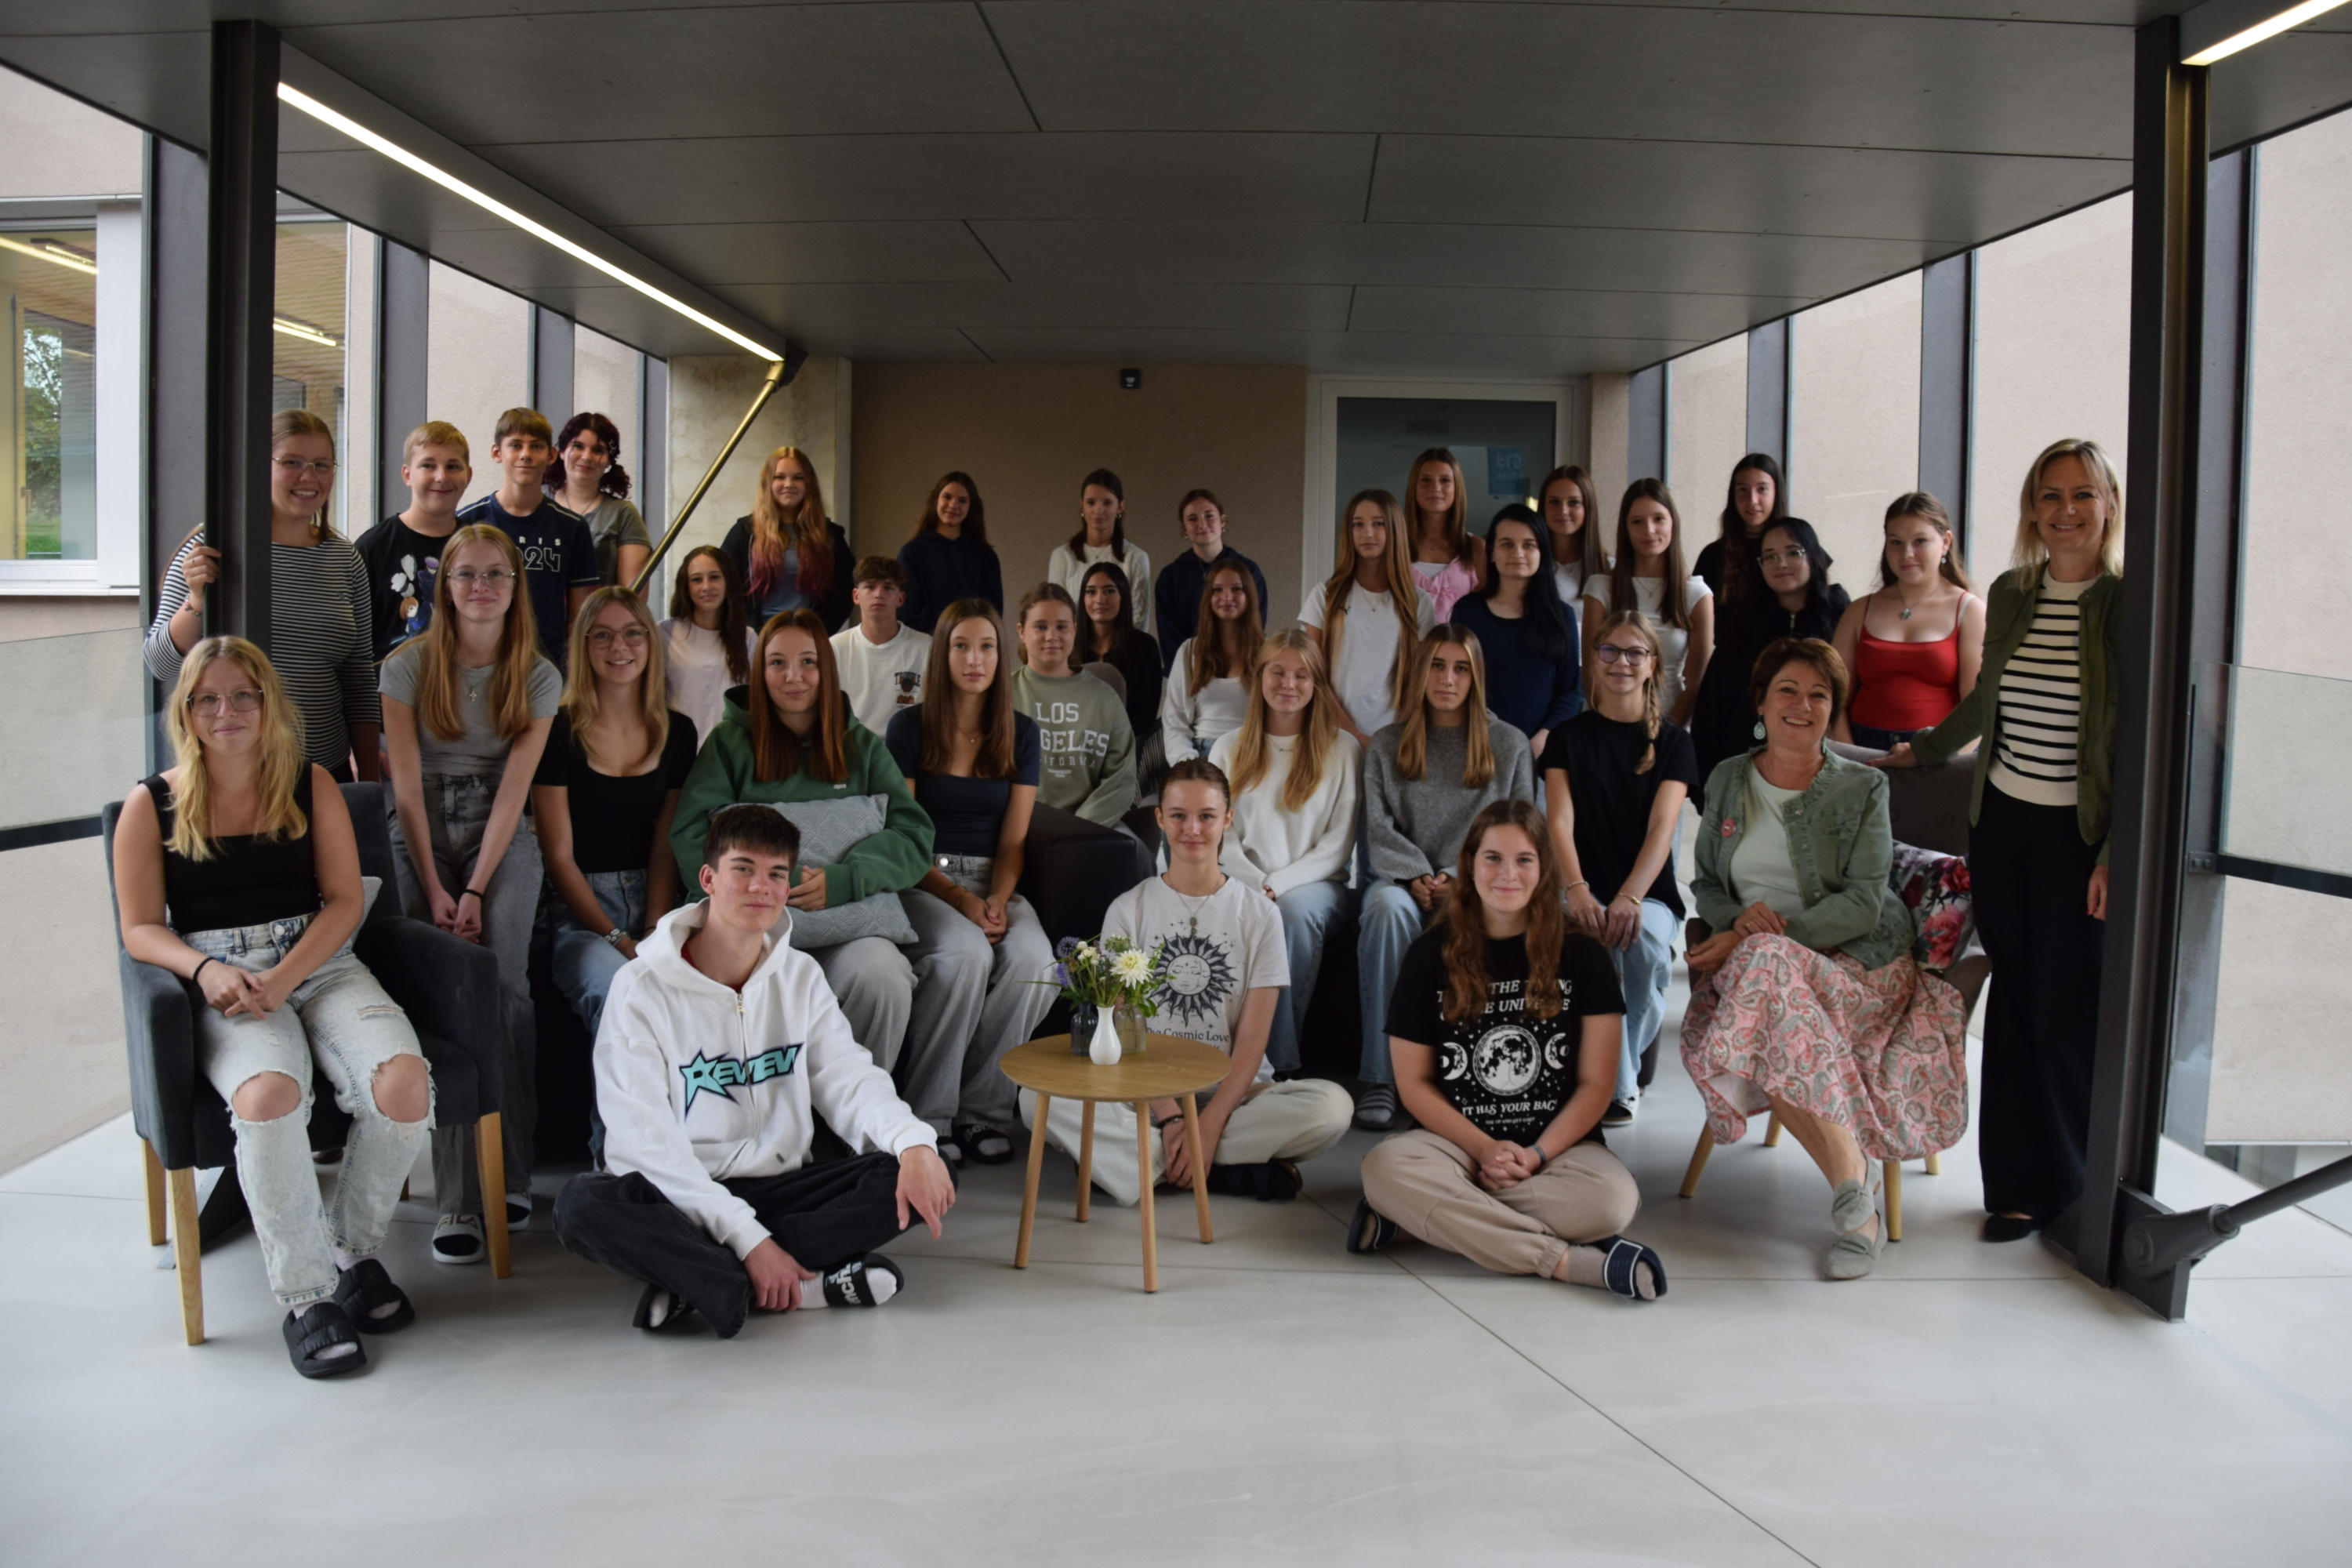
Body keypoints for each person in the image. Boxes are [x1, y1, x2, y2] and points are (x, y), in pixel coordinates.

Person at [113, 637, 433, 1377]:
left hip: (319, 961)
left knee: (404, 1084)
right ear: (185, 712)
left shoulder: (310, 783)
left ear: (267, 704)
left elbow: (344, 900)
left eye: (242, 695)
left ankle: (351, 1252)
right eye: (207, 699)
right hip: (221, 972)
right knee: (266, 1096)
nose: (225, 711)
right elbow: (139, 928)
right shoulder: (150, 804)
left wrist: (287, 977)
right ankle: (307, 1298)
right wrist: (203, 970)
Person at [553, 805, 957, 1338]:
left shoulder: (799, 976)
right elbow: (642, 1144)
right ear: (708, 879)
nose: (760, 887)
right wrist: (749, 1239)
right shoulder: (641, 988)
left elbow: (848, 1078)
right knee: (581, 1206)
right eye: (743, 869)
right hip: (684, 1196)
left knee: (920, 1167)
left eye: (776, 874)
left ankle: (702, 1280)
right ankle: (804, 1282)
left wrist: (914, 1144)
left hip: (782, 1186)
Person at [1881, 439, 2122, 1243]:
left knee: (2069, 1006)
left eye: (2081, 494)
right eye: (2050, 495)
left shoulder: (2127, 604)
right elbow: (1988, 699)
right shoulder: (2016, 592)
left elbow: (2142, 739)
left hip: (2077, 837)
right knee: (2015, 999)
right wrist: (1924, 748)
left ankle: (2076, 1190)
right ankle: (2016, 1191)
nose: (2065, 510)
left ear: (2108, 505)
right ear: (2032, 510)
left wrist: (2115, 853)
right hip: (2004, 823)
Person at [1683, 639, 1969, 1279]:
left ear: (1833, 708)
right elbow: (1706, 883)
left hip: (1857, 967)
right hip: (1764, 972)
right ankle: (1854, 1195)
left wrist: (1764, 938)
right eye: (1788, 690)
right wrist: (1734, 922)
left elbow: (1864, 904)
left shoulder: (1863, 787)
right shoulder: (1727, 777)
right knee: (1767, 984)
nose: (1803, 704)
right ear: (1761, 701)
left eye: (1819, 694)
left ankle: (1853, 1194)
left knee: (1763, 973)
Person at [1353, 800, 1665, 1301]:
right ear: (1470, 865)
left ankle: (1420, 1219)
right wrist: (1483, 1150)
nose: (1507, 874)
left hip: (1559, 1149)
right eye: (1493, 858)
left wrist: (1537, 1153)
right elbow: (1414, 1085)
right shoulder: (1429, 954)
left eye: (1524, 860)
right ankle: (1563, 1261)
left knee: (1611, 1202)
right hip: (1455, 1147)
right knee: (1383, 1168)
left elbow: (1596, 1085)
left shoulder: (1584, 954)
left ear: (1544, 870)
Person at [1019, 759, 1355, 1204]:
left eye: (1207, 816)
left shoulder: (1261, 915)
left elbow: (1253, 1040)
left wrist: (1210, 1123)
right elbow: (1121, 1026)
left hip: (1233, 1094)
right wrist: (1171, 1117)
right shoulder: (1128, 909)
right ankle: (1222, 1171)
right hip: (1142, 1092)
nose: (1192, 829)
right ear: (1160, 818)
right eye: (1178, 815)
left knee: (1332, 1108)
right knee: (1035, 1101)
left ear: (1228, 820)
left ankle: (1142, 1165)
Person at [377, 523, 557, 1264]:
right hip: (417, 828)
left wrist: (477, 887)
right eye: (466, 575)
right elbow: (405, 789)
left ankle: (507, 1175)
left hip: (498, 827)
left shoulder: (538, 675)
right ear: (443, 587)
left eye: (495, 575)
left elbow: (515, 793)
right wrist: (434, 886)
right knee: (442, 996)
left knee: (505, 988)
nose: (481, 587)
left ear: (516, 587)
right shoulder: (405, 667)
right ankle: (457, 1196)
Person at [670, 609, 942, 1096]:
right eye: (777, 663)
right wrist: (765, 887)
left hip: (847, 923)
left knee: (882, 973)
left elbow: (913, 834)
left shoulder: (860, 745)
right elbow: (692, 836)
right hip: (756, 928)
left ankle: (861, 1112)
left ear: (827, 668)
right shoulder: (728, 743)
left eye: (808, 662)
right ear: (760, 671)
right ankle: (773, 1117)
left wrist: (847, 879)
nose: (793, 676)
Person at [883, 601, 1058, 1165]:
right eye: (961, 645)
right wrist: (960, 899)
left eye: (986, 647)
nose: (974, 659)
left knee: (1035, 960)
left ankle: (982, 1112)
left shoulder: (1021, 733)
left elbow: (1013, 843)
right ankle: (929, 1118)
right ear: (942, 654)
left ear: (1002, 657)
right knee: (964, 954)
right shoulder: (908, 728)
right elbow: (903, 839)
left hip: (991, 880)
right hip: (923, 879)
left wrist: (998, 900)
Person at [532, 587, 697, 1164]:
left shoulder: (678, 732)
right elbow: (558, 856)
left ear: (650, 643)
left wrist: (653, 931)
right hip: (579, 912)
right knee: (620, 991)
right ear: (582, 647)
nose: (618, 646)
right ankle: (617, 1166)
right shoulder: (557, 731)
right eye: (600, 635)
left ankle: (689, 1155)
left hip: (658, 903)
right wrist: (619, 939)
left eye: (631, 633)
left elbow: (665, 845)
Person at [1356, 626, 1536, 1131]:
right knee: (1384, 910)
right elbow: (1378, 828)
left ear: (1476, 677)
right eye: (1437, 665)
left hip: (1480, 883)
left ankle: (1465, 1080)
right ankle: (1381, 1076)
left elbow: (1522, 830)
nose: (1448, 679)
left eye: (1461, 668)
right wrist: (1415, 873)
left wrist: (1461, 876)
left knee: (1485, 916)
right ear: (1419, 672)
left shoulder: (1509, 744)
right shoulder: (1387, 744)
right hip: (1401, 883)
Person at [146, 409, 380, 781]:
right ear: (259, 467)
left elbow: (358, 680)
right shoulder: (213, 549)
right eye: (292, 462)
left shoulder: (345, 558)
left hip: (324, 774)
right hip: (236, 779)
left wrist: (368, 781)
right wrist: (197, 603)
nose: (309, 477)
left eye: (322, 465)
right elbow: (159, 664)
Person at [1541, 611, 1699, 1124]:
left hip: (1648, 892)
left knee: (1643, 939)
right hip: (1578, 886)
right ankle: (1620, 1086)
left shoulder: (1674, 742)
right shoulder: (1567, 737)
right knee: (1589, 943)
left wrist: (1630, 897)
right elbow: (1559, 823)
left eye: (1635, 653)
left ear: (1653, 665)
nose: (1621, 663)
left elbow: (1661, 831)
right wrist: (1576, 889)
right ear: (1594, 660)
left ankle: (1613, 1079)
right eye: (1609, 651)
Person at [1208, 630, 1359, 1076]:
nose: (1288, 684)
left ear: (1317, 685)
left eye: (1302, 675)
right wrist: (1257, 885)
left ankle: (1272, 1069)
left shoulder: (1343, 748)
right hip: (1243, 881)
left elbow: (1337, 846)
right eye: (1277, 672)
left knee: (1288, 914)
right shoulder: (1228, 747)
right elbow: (1220, 837)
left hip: (1315, 888)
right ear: (1260, 677)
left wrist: (1277, 887)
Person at [1690, 517, 1850, 783]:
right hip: (1746, 767)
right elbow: (1713, 705)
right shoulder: (1743, 623)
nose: (1781, 563)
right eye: (1770, 556)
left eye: (1793, 552)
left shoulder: (1841, 615)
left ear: (1814, 557)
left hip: (1820, 770)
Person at [1833, 492, 1985, 750]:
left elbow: (1977, 711)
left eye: (1920, 541)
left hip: (1939, 754)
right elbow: (1833, 698)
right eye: (1896, 542)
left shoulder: (1971, 612)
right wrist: (1851, 760)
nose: (1907, 553)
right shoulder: (1859, 611)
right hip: (1862, 749)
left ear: (1945, 542)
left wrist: (1941, 759)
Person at [456, 407, 600, 671]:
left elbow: (578, 619)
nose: (526, 454)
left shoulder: (572, 528)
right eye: (515, 445)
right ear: (497, 453)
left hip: (549, 668)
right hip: (479, 666)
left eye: (536, 446)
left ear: (551, 455)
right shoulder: (467, 523)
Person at [1301, 488, 1434, 749]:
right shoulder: (1325, 595)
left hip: (1395, 740)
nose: (1367, 533)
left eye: (1378, 524)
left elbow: (1419, 681)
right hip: (1333, 734)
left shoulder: (1418, 602)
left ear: (1394, 529)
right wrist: (1354, 735)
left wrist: (1391, 738)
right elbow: (1314, 675)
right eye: (1358, 524)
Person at [1448, 503, 1582, 755]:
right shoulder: (1467, 612)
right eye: (1507, 544)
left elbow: (1570, 692)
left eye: (1528, 545)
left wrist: (1541, 740)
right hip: (1475, 749)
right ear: (1492, 552)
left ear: (1542, 552)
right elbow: (1453, 680)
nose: (1517, 553)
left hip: (1540, 754)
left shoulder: (1562, 616)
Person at [1584, 480, 1714, 726]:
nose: (1649, 530)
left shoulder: (1696, 594)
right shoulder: (1600, 587)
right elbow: (1591, 672)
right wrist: (1613, 726)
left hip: (1671, 723)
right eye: (1637, 522)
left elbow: (1697, 681)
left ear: (1673, 523)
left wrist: (1666, 735)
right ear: (1625, 528)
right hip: (1605, 722)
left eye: (1659, 519)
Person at [1009, 584, 1138, 830]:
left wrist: (1076, 829)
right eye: (1041, 627)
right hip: (1019, 824)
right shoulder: (1001, 694)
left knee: (1136, 849)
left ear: (1075, 630)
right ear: (1022, 631)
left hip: (1091, 825)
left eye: (1062, 627)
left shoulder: (1104, 698)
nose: (1052, 636)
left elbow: (1121, 780)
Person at [354, 419, 470, 660]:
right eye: (428, 465)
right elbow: (354, 644)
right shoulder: (372, 549)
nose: (441, 476)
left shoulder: (480, 549)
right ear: (407, 475)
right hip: (388, 683)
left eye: (452, 466)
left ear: (468, 475)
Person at [722, 445, 853, 633]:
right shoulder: (744, 532)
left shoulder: (830, 536)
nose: (789, 484)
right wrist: (755, 635)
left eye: (798, 477)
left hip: (809, 637)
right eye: (780, 477)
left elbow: (844, 596)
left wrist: (813, 633)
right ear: (768, 483)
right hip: (755, 640)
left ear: (809, 484)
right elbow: (727, 589)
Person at [1153, 488, 1269, 673]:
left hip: (1238, 670)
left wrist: (1231, 667)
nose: (1202, 524)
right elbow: (1169, 636)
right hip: (1188, 672)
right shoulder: (1170, 577)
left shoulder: (1249, 571)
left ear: (1223, 521)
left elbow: (1255, 625)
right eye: (1193, 519)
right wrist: (1193, 670)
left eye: (1209, 516)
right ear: (1184, 528)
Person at [1160, 560, 1261, 763]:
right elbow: (1175, 722)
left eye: (1236, 589)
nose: (1227, 597)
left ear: (1249, 595)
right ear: (1208, 597)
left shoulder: (1267, 652)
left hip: (1251, 756)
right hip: (1200, 755)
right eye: (1217, 590)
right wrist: (1187, 765)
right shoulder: (1189, 651)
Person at [659, 545, 757, 750]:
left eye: (714, 577)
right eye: (697, 579)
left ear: (727, 581)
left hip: (729, 749)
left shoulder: (747, 637)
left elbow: (754, 702)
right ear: (686, 586)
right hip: (677, 748)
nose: (706, 586)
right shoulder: (665, 633)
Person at [545, 412, 651, 589]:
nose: (586, 457)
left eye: (597, 450)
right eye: (578, 446)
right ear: (562, 451)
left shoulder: (623, 514)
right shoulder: (537, 505)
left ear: (609, 461)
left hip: (600, 608)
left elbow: (633, 596)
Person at [830, 556, 931, 735]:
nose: (879, 594)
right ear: (856, 596)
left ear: (901, 599)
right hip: (850, 743)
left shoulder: (925, 647)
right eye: (870, 587)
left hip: (904, 745)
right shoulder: (835, 647)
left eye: (888, 588)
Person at [1079, 561, 1163, 771]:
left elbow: (1144, 718)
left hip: (1127, 754)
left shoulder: (1145, 647)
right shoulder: (1069, 647)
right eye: (1091, 592)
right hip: (1075, 752)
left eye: (1109, 591)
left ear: (1123, 596)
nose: (1100, 599)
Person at [895, 470, 1003, 634]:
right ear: (936, 500)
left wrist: (962, 639)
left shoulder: (985, 557)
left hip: (971, 642)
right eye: (947, 497)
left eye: (962, 500)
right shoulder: (912, 552)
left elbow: (992, 612)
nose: (953, 505)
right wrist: (942, 639)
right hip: (924, 644)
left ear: (971, 507)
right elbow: (908, 611)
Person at [1047, 468, 1153, 633]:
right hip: (1073, 646)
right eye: (1091, 502)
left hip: (1124, 647)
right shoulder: (1062, 556)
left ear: (1120, 507)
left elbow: (1138, 622)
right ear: (1082, 505)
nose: (1098, 510)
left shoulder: (1136, 557)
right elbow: (1056, 615)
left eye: (1107, 503)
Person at [1691, 452, 1787, 602]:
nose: (1752, 500)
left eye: (1762, 489)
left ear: (1777, 492)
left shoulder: (1798, 551)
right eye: (1743, 490)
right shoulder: (1713, 556)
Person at [1404, 447, 1486, 622]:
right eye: (1426, 480)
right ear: (1414, 486)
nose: (1435, 487)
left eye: (1445, 480)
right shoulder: (1395, 544)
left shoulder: (1476, 547)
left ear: (1457, 488)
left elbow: (1481, 616)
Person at [1539, 464, 1610, 637]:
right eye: (1554, 502)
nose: (1563, 511)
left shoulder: (1609, 569)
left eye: (1574, 503)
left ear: (1588, 508)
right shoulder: (1529, 564)